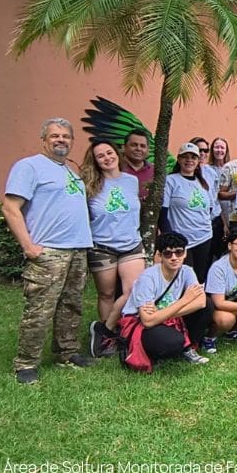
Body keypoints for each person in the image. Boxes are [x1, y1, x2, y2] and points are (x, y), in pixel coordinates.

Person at [2, 117, 94, 384]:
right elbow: (10, 208)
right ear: (44, 139)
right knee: (40, 308)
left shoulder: (70, 171)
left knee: (71, 305)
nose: (61, 140)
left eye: (66, 136)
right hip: (49, 251)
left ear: (72, 141)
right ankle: (26, 363)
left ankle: (67, 352)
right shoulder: (29, 167)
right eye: (55, 136)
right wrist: (28, 247)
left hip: (77, 250)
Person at [81, 141, 146, 358]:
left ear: (117, 154)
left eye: (109, 153)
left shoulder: (132, 181)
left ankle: (105, 330)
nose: (107, 158)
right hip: (102, 246)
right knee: (107, 293)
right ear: (95, 161)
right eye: (101, 156)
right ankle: (109, 339)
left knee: (132, 291)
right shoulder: (90, 184)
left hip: (131, 244)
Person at [118, 232, 211, 371]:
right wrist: (184, 300)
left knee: (208, 306)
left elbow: (201, 301)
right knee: (173, 342)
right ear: (160, 256)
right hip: (140, 324)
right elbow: (147, 321)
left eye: (179, 252)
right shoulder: (147, 279)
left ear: (185, 253)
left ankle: (189, 347)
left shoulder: (187, 271)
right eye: (168, 254)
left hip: (163, 316)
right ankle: (156, 350)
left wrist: (162, 314)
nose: (174, 258)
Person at [159, 143, 218, 282]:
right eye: (185, 157)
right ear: (179, 159)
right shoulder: (171, 181)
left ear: (198, 161)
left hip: (204, 236)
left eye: (193, 157)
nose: (189, 160)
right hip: (182, 239)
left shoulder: (202, 182)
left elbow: (209, 207)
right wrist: (171, 239)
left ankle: (199, 303)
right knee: (181, 278)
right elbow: (163, 213)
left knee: (200, 277)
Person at [191, 136, 225, 267]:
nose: (203, 154)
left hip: (214, 222)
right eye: (199, 150)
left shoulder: (211, 173)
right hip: (194, 224)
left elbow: (215, 199)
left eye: (206, 150)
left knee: (212, 260)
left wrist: (223, 223)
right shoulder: (182, 175)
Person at [208, 136, 231, 258]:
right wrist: (224, 223)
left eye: (222, 147)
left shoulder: (230, 168)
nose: (219, 150)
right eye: (216, 147)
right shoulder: (207, 170)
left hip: (231, 214)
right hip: (217, 217)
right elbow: (215, 198)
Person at [121, 128, 154, 202]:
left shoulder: (154, 172)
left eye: (143, 146)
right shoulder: (115, 169)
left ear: (148, 150)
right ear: (124, 147)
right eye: (134, 145)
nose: (138, 149)